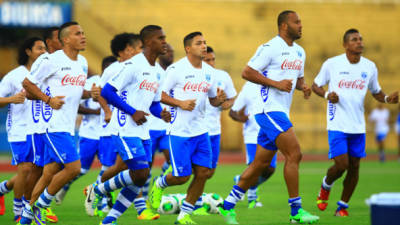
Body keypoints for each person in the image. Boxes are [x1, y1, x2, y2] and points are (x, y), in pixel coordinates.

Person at [218, 10, 319, 224]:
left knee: (259, 165)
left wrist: (304, 87)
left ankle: (227, 206)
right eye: (297, 22)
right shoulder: (270, 48)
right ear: (284, 26)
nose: (301, 25)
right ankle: (296, 212)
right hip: (268, 110)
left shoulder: (300, 52)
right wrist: (275, 84)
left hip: (280, 110)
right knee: (295, 154)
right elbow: (247, 72)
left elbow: (297, 80)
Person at [89, 25, 170, 225]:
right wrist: (132, 112)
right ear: (149, 42)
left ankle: (109, 219)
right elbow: (107, 91)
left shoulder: (158, 72)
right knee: (140, 173)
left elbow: (153, 103)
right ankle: (98, 189)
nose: (165, 42)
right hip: (124, 127)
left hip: (143, 130)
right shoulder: (133, 65)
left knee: (141, 178)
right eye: (161, 38)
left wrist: (163, 114)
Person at [312, 28, 398, 217]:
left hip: (358, 125)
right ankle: (326, 185)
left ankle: (342, 206)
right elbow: (315, 85)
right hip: (337, 124)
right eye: (354, 39)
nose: (359, 42)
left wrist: (387, 99)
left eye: (360, 39)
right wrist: (327, 95)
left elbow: (376, 91)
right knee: (342, 165)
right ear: (345, 45)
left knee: (355, 166)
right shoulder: (332, 64)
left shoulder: (369, 67)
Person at [18, 21, 93, 225]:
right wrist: (48, 100)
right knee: (74, 168)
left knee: (50, 172)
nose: (83, 36)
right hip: (53, 125)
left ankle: (25, 219)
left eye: (83, 33)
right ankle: (41, 206)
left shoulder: (83, 62)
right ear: (66, 39)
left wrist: (90, 94)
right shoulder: (51, 60)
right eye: (78, 33)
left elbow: (76, 92)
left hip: (67, 126)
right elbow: (27, 84)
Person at [149, 31, 227, 224]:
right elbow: (160, 95)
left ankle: (184, 215)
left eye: (205, 42)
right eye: (199, 43)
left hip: (201, 131)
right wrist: (180, 103)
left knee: (204, 173)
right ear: (188, 48)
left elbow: (212, 100)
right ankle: (159, 184)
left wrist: (219, 100)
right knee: (182, 177)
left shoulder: (209, 72)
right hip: (179, 133)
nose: (204, 46)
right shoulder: (176, 69)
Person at [54, 55, 117, 206]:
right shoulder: (90, 83)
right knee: (81, 169)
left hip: (108, 133)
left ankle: (103, 201)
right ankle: (64, 186)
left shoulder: (118, 83)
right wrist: (94, 112)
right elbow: (75, 104)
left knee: (108, 168)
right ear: (103, 69)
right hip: (89, 133)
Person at [0, 37, 46, 221]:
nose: (43, 52)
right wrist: (12, 99)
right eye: (39, 48)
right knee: (25, 170)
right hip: (19, 129)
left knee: (39, 171)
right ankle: (20, 212)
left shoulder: (47, 73)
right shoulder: (14, 75)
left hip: (40, 129)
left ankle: (3, 189)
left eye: (45, 48)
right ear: (28, 51)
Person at [190, 46, 236, 215]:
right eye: (207, 60)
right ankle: (195, 204)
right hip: (197, 131)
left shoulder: (222, 76)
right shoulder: (194, 76)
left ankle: (192, 199)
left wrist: (226, 104)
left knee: (209, 172)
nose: (210, 62)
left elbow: (231, 98)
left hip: (215, 131)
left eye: (212, 59)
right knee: (199, 171)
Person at [229, 81, 277, 209]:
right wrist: (242, 119)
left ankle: (240, 179)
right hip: (252, 135)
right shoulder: (248, 88)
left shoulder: (274, 83)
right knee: (255, 168)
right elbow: (233, 112)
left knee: (270, 169)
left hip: (270, 132)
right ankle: (252, 199)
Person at [148, 43, 174, 174]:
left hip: (167, 126)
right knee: (147, 165)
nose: (171, 54)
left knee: (173, 161)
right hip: (150, 125)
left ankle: (158, 186)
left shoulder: (175, 71)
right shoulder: (152, 70)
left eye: (172, 52)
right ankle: (145, 194)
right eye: (168, 51)